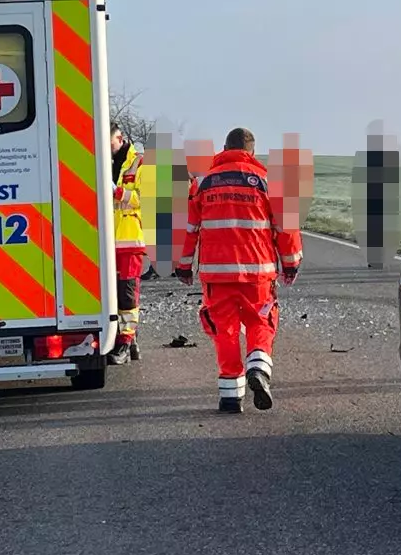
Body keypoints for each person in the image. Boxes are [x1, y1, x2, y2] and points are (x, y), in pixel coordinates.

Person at [174, 127, 302, 413]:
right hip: (258, 272)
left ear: (224, 148)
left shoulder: (203, 183)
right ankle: (258, 366)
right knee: (261, 321)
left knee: (225, 331)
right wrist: (291, 264)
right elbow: (287, 228)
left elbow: (188, 230)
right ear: (252, 152)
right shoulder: (270, 182)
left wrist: (183, 267)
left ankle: (231, 396)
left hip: (216, 275)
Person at [108, 127, 151, 364]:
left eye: (110, 142)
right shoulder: (101, 161)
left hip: (129, 240)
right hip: (104, 243)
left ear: (120, 139)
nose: (107, 148)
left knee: (127, 296)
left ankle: (124, 344)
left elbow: (143, 199)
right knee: (110, 296)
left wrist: (117, 192)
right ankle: (130, 340)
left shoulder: (139, 163)